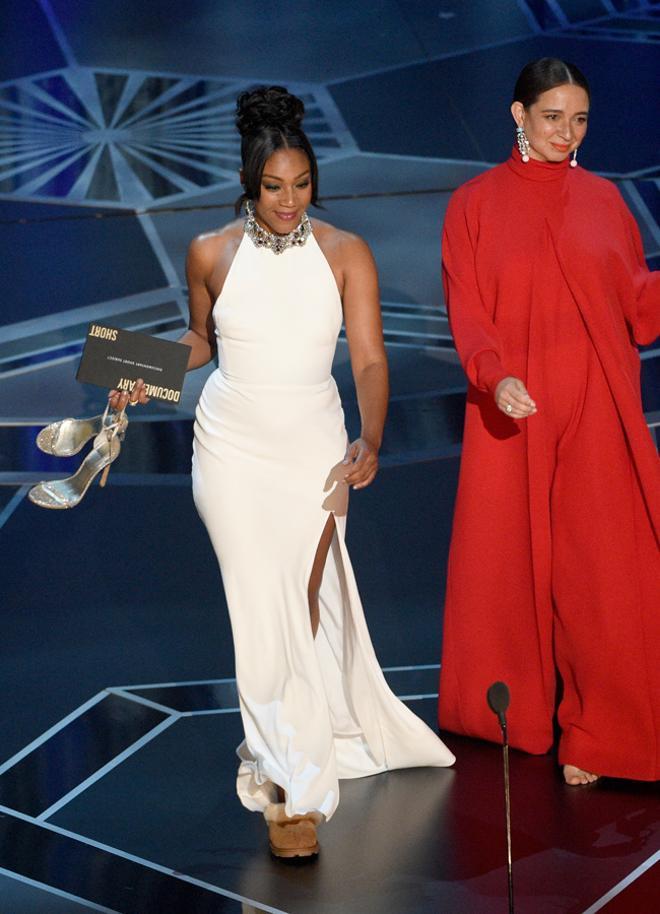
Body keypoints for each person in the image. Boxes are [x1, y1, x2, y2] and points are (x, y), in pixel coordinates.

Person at [114, 86, 454, 857]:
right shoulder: (209, 252)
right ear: (249, 182)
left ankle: (295, 750)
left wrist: (369, 436)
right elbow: (201, 342)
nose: (289, 201)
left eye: (302, 186)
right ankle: (296, 791)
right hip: (230, 445)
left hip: (314, 446)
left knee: (297, 598)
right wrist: (143, 368)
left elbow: (368, 357)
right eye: (275, 187)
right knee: (255, 605)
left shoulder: (344, 253)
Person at [437, 58, 659, 786]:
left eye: (580, 119)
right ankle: (520, 711)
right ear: (518, 115)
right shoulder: (473, 204)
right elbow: (468, 311)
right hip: (518, 411)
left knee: (604, 574)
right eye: (553, 116)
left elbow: (638, 305)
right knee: (513, 565)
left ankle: (601, 732)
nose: (567, 132)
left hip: (599, 409)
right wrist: (494, 376)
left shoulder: (604, 202)